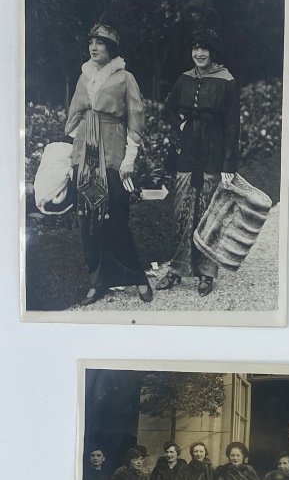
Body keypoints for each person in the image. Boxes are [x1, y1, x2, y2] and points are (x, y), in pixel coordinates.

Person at [65, 16, 153, 304]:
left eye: (100, 42)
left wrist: (129, 158)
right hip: (85, 154)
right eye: (91, 42)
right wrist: (80, 145)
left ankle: (136, 276)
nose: (93, 47)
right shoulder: (84, 75)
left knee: (115, 216)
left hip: (113, 153)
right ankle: (97, 280)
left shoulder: (125, 77)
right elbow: (75, 115)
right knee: (87, 219)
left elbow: (136, 120)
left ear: (111, 48)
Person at [157, 24, 240, 297]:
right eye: (195, 48)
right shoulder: (184, 79)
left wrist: (229, 165)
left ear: (213, 51)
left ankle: (206, 272)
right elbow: (168, 110)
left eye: (204, 48)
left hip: (213, 152)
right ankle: (177, 268)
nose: (199, 53)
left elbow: (232, 126)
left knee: (208, 211)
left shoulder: (226, 80)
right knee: (181, 209)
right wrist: (180, 126)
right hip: (187, 152)